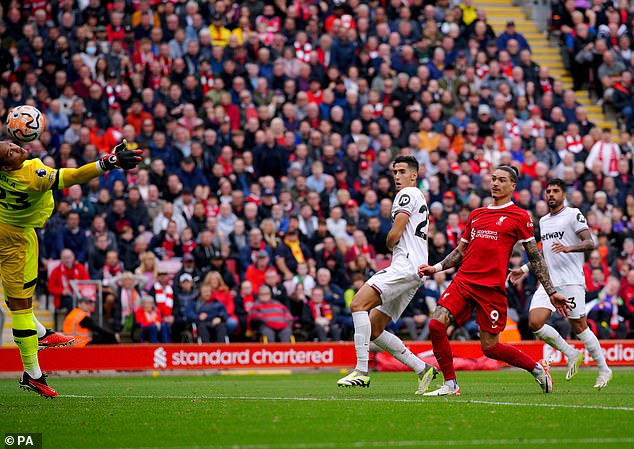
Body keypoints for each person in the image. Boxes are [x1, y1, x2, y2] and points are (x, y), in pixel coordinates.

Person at [0, 139, 141, 397]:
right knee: (21, 306)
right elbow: (76, 175)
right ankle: (33, 375)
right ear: (6, 168)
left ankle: (41, 334)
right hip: (12, 240)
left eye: (12, 144)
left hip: (17, 231)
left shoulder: (12, 170)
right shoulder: (32, 177)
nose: (17, 149)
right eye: (10, 153)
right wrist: (109, 162)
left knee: (17, 299)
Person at [418, 166, 571, 396]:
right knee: (436, 324)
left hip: (491, 289)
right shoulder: (477, 214)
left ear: (513, 186)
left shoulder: (520, 216)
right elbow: (460, 251)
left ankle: (536, 368)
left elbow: (535, 258)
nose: (495, 183)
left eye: (501, 180)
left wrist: (550, 292)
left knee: (490, 348)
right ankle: (451, 385)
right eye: (493, 179)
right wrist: (436, 267)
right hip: (464, 281)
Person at [337, 156, 437, 394]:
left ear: (414, 175)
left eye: (402, 171)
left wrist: (389, 241)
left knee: (358, 303)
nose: (397, 176)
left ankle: (361, 372)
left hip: (405, 265)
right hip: (417, 269)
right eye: (395, 172)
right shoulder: (421, 198)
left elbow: (396, 233)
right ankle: (423, 368)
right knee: (374, 328)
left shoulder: (406, 195)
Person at [509, 178, 612, 390]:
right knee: (534, 323)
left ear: (563, 195)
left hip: (572, 281)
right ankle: (571, 353)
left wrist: (568, 248)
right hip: (549, 283)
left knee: (579, 327)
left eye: (555, 191)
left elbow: (590, 243)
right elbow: (544, 256)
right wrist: (525, 269)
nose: (551, 195)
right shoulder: (544, 221)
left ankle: (604, 369)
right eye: (548, 191)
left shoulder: (573, 214)